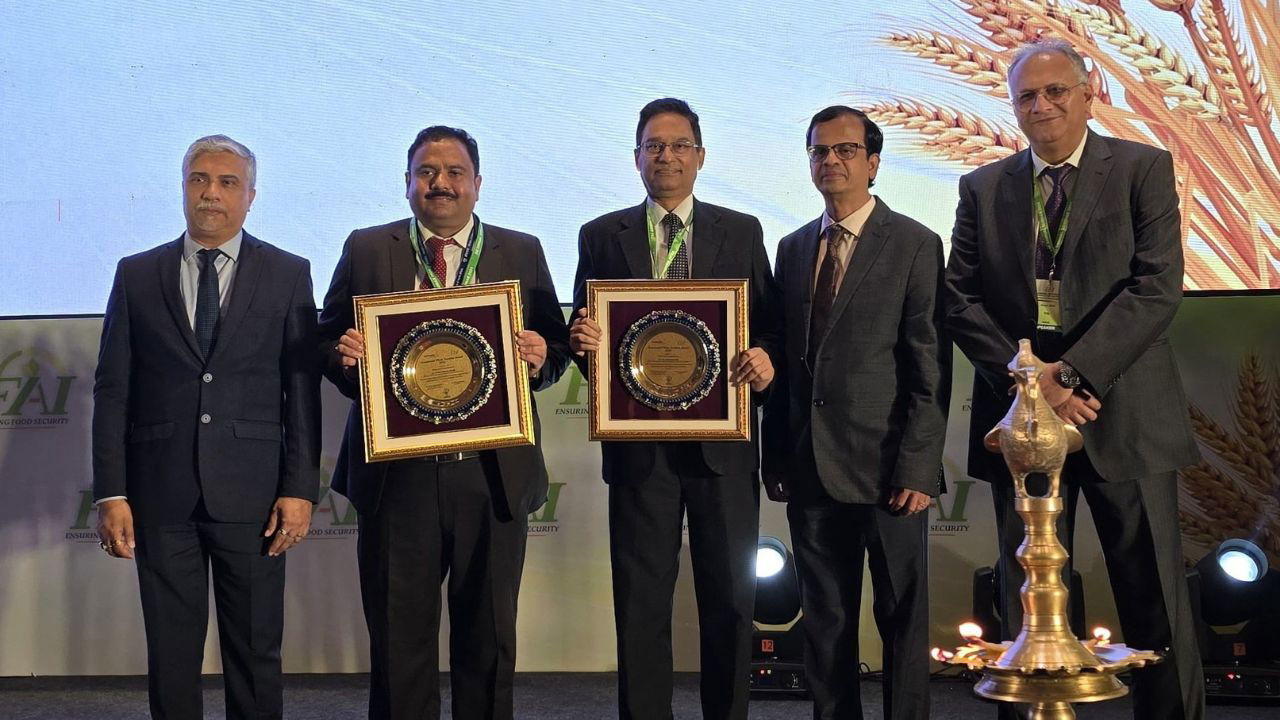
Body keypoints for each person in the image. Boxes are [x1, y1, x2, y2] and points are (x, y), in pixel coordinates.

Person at [943, 38, 1205, 719]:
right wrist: (1033, 383)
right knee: (1024, 598)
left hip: (1121, 410)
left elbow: (1156, 288)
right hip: (1021, 417)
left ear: (1089, 95)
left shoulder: (1143, 168)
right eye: (1028, 95)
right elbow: (958, 298)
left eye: (1056, 91)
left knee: (1152, 596)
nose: (1043, 106)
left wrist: (1074, 374)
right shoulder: (981, 187)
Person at [318, 125, 571, 720]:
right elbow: (324, 338)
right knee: (398, 641)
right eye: (427, 172)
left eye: (454, 172)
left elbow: (556, 351)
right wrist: (341, 355)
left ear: (477, 184)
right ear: (407, 183)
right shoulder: (366, 248)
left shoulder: (523, 250)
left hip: (492, 477)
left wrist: (539, 358)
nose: (441, 184)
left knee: (487, 640)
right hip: (398, 477)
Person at [92, 134, 320, 720]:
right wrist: (113, 492)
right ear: (183, 187)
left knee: (255, 650)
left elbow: (301, 393)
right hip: (160, 494)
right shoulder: (136, 274)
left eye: (226, 183)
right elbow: (113, 391)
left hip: (255, 496)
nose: (210, 194)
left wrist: (299, 489)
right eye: (199, 179)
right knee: (171, 653)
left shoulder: (288, 273)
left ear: (250, 196)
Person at [569, 97, 781, 720]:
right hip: (639, 451)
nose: (667, 156)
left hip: (724, 449)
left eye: (679, 145)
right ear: (636, 158)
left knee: (731, 602)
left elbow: (769, 324)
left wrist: (765, 356)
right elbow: (592, 342)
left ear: (700, 157)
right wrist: (582, 344)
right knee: (640, 604)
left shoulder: (740, 230)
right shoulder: (600, 235)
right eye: (654, 146)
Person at [761, 106, 949, 720]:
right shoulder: (792, 249)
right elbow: (785, 364)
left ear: (873, 161)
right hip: (812, 467)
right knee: (826, 623)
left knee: (901, 620)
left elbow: (928, 366)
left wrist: (919, 469)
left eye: (845, 150)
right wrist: (778, 456)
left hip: (890, 470)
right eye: (818, 151)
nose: (830, 161)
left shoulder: (916, 243)